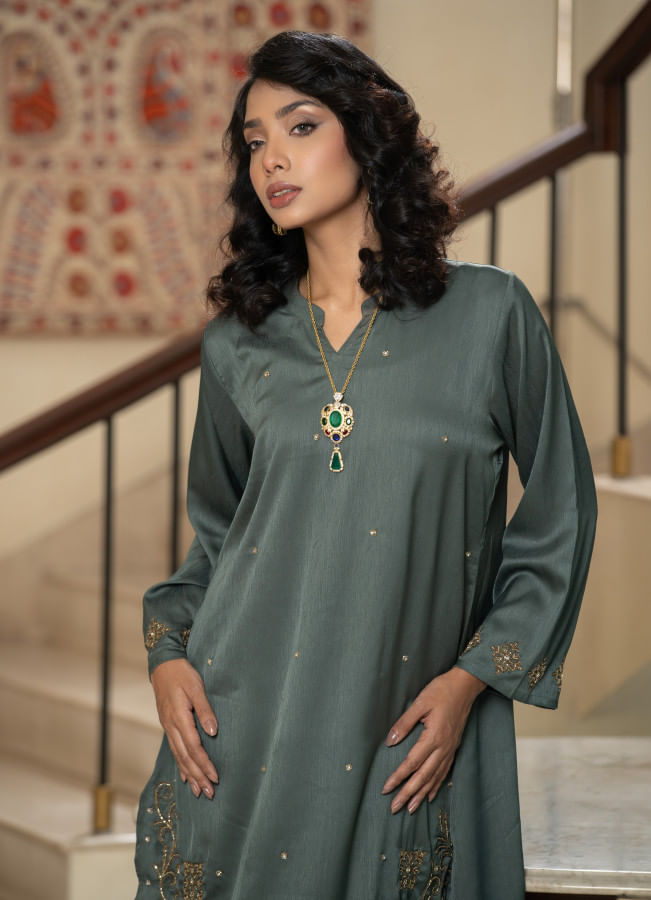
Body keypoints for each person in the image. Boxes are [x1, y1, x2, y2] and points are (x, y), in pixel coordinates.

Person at [134, 30, 597, 900]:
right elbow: (218, 536)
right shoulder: (240, 342)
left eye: (300, 127)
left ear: (367, 133)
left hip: (405, 733)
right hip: (242, 725)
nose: (272, 158)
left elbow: (559, 514)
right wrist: (169, 655)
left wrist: (470, 680)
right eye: (254, 141)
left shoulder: (490, 315)